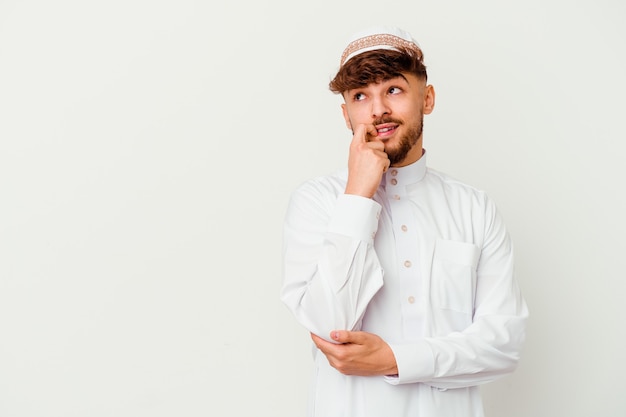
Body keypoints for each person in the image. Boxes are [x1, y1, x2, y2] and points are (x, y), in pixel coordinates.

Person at [280, 26, 528, 417]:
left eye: (393, 89)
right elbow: (329, 324)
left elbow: (503, 344)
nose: (378, 110)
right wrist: (358, 194)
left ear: (426, 98)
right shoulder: (317, 202)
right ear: (346, 114)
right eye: (361, 96)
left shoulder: (474, 207)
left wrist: (394, 359)